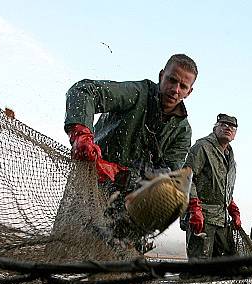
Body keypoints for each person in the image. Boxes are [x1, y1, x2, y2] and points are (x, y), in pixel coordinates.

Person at [63, 53, 198, 249]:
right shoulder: (136, 93)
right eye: (171, 80)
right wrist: (81, 134)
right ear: (161, 76)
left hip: (130, 211)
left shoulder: (183, 131)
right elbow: (83, 90)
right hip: (92, 189)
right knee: (71, 252)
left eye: (182, 86)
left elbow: (167, 176)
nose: (175, 90)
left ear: (189, 92)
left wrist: (125, 176)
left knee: (113, 269)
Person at [185, 114, 240, 259]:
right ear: (215, 127)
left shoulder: (230, 157)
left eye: (232, 127)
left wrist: (232, 207)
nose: (228, 128)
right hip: (203, 217)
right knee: (200, 268)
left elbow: (223, 187)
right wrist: (194, 208)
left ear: (235, 134)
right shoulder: (202, 147)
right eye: (224, 124)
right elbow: (187, 178)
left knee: (226, 265)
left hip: (222, 220)